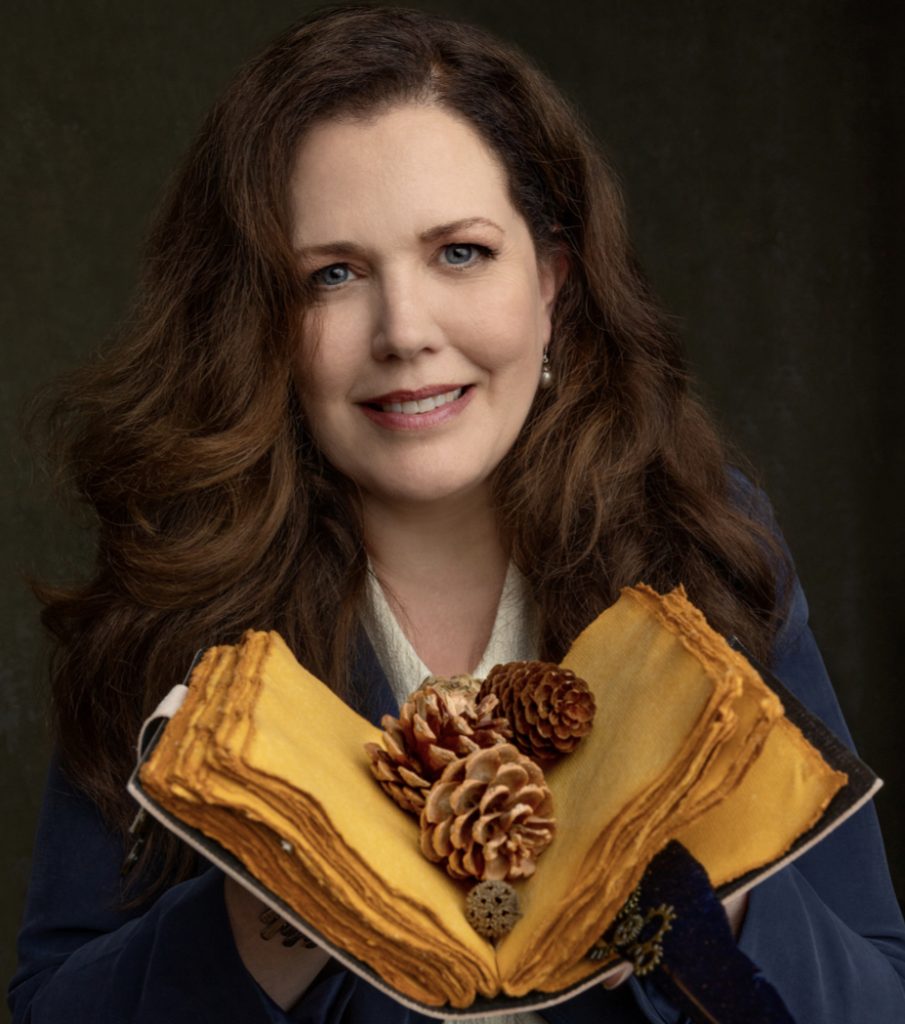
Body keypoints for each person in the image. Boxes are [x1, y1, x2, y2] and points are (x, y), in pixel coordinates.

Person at [9, 6, 905, 1023]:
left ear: (551, 285)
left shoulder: (701, 542)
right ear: (259, 321)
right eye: (331, 275)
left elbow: (875, 994)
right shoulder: (175, 586)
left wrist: (704, 876)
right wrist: (277, 905)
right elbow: (53, 1005)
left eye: (460, 253)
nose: (404, 331)